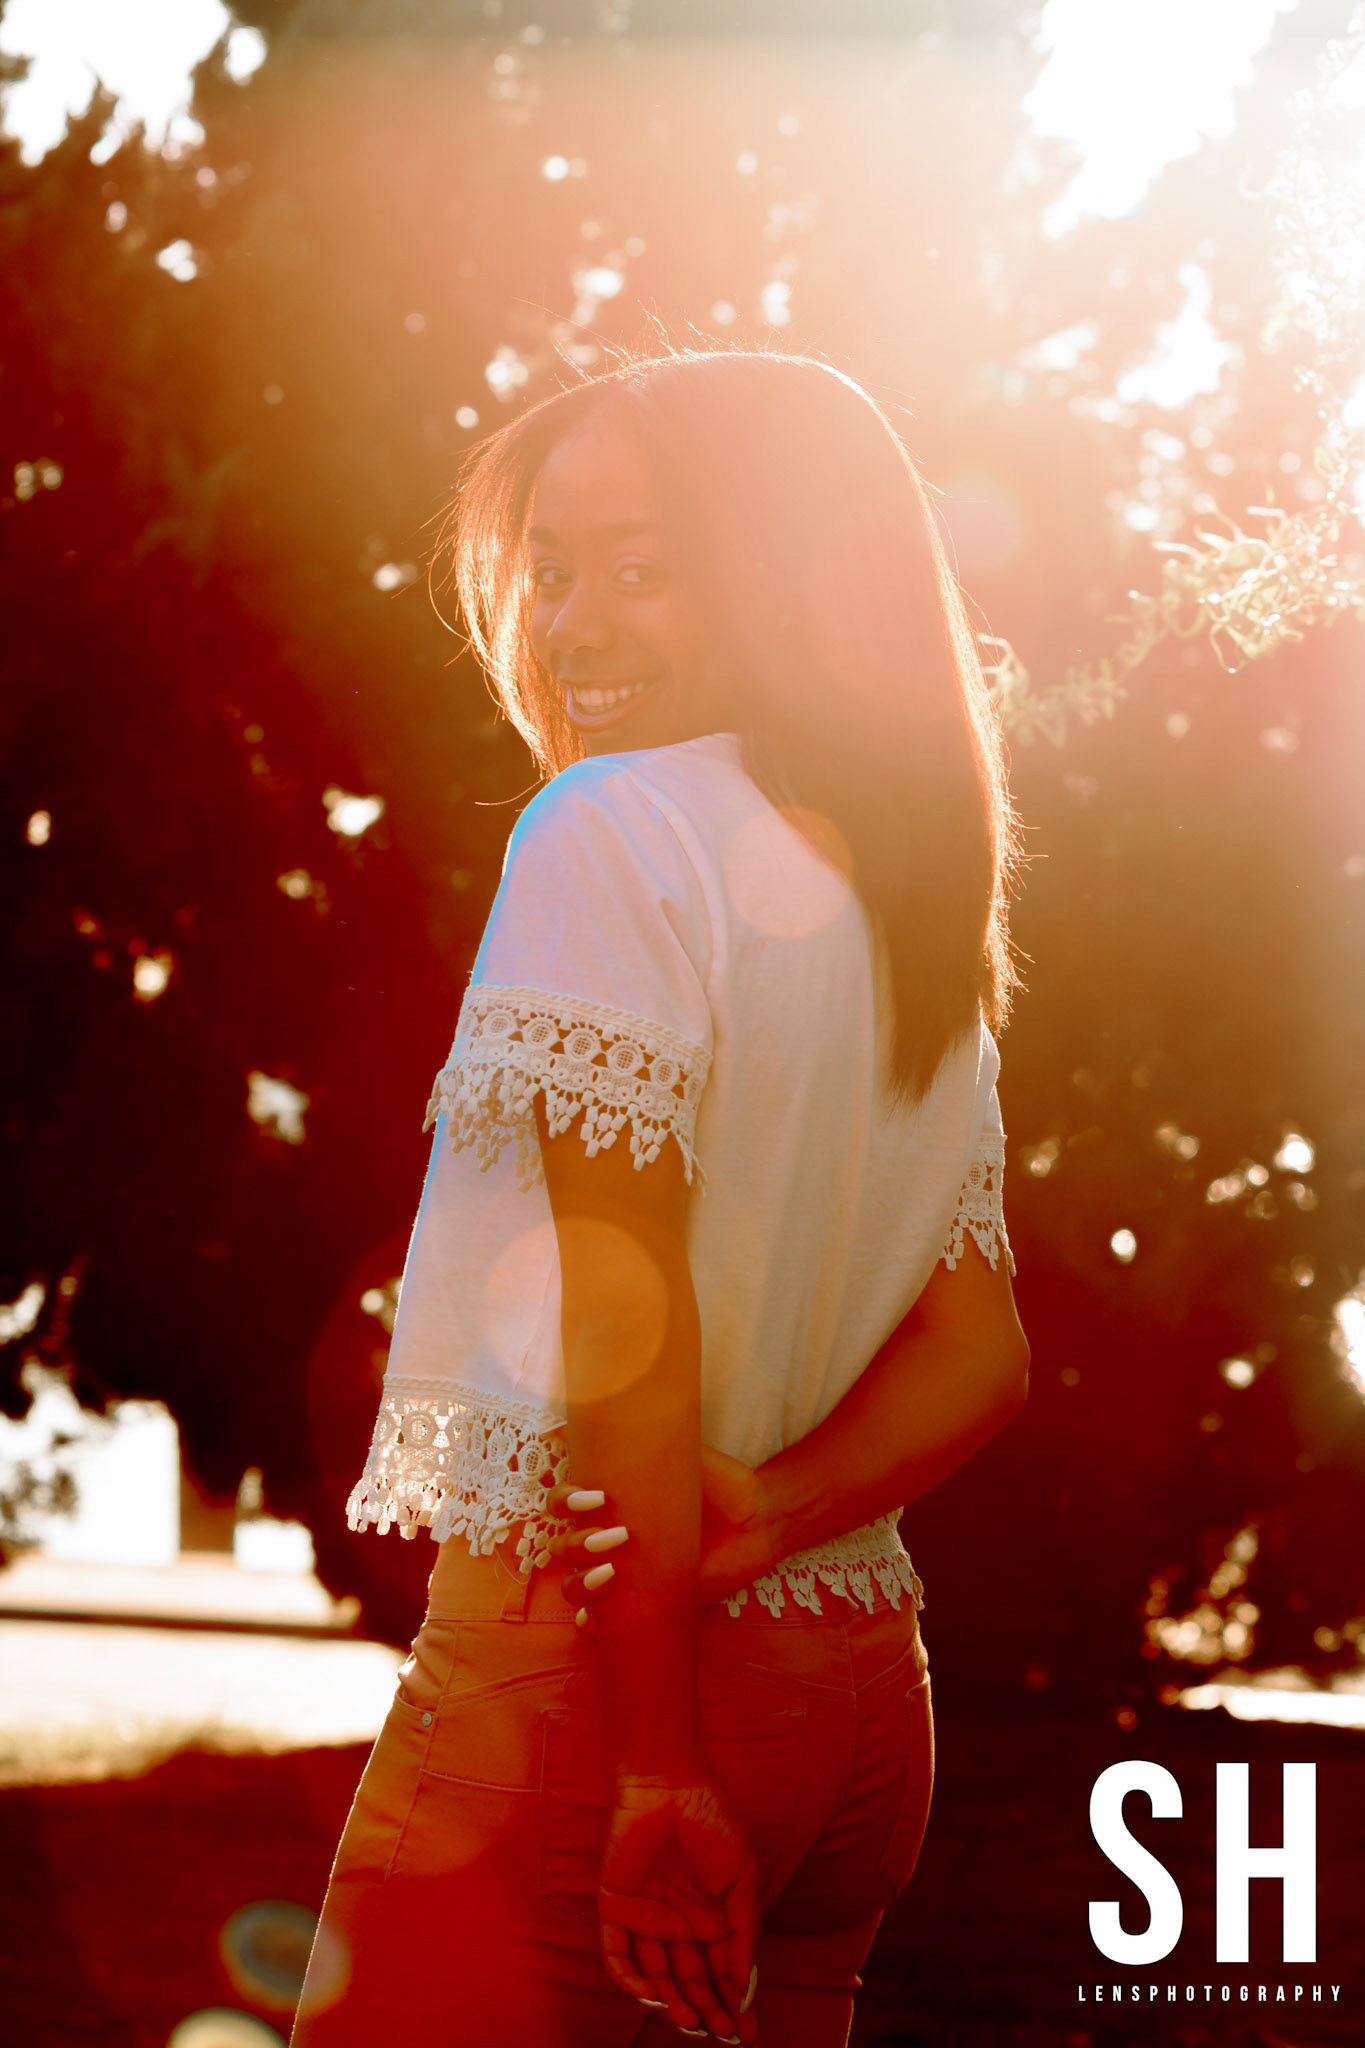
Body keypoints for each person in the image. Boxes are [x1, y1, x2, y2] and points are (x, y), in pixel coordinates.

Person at [291, 344, 1031, 2048]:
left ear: (781, 581)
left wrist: (654, 1765)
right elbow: (978, 1351)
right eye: (553, 573)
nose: (570, 626)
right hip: (855, 1696)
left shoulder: (611, 826)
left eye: (641, 570)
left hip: (606, 1699)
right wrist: (768, 1514)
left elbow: (623, 1325)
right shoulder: (908, 889)